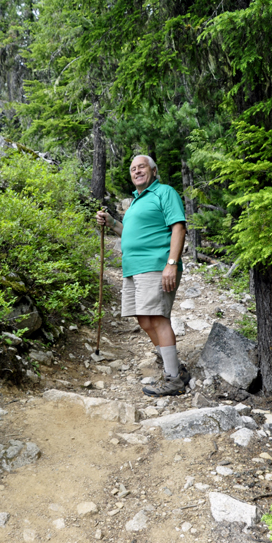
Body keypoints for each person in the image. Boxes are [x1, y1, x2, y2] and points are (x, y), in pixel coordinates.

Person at [96, 155, 189, 396]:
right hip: (133, 270)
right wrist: (112, 223)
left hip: (155, 266)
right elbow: (130, 233)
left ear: (154, 171)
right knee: (144, 320)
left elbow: (178, 227)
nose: (137, 171)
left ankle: (173, 379)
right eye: (133, 169)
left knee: (158, 318)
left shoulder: (164, 192)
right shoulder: (136, 201)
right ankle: (174, 366)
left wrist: (172, 263)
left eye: (142, 167)